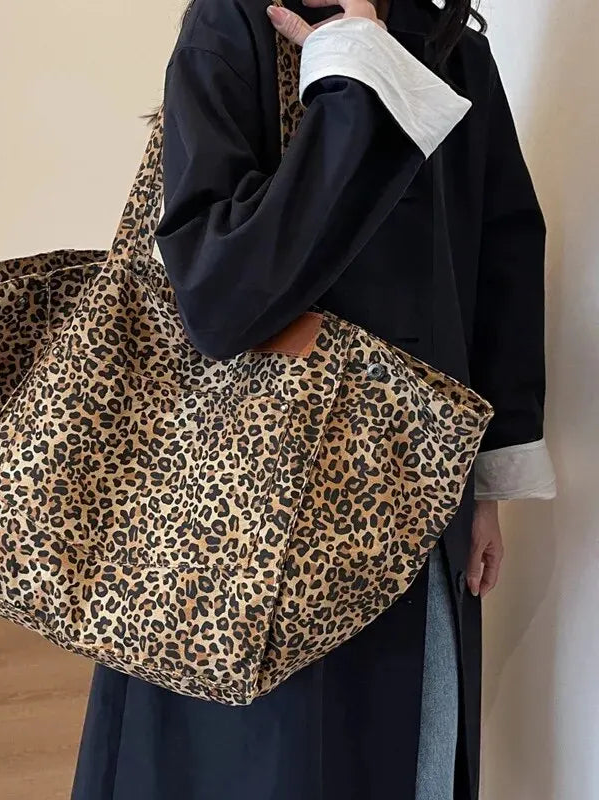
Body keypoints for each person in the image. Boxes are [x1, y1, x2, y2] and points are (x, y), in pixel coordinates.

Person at [71, 1, 557, 798]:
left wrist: (486, 492)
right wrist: (351, 79)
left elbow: (498, 264)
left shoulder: (451, 48)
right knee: (261, 765)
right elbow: (220, 297)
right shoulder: (236, 25)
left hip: (416, 496)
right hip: (244, 510)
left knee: (408, 756)